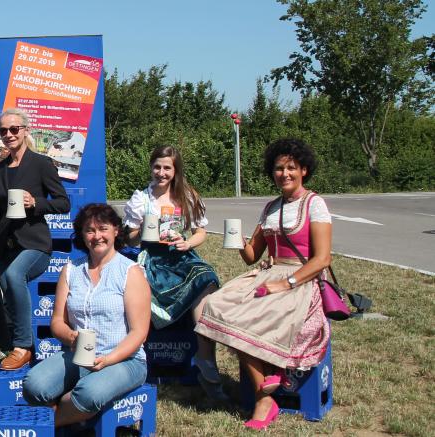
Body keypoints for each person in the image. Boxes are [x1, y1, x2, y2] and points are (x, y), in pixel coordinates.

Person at [195, 138, 331, 430]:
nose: (285, 174)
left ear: (304, 170)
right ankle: (267, 381)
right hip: (268, 275)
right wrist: (238, 240)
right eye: (279, 168)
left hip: (301, 280)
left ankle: (263, 400)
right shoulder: (271, 207)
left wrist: (285, 284)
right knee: (217, 305)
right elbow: (252, 256)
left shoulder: (314, 204)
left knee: (248, 315)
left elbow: (321, 259)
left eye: (291, 168)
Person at [21, 204, 150, 426]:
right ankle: (72, 418)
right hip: (80, 355)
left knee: (87, 394)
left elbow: (139, 333)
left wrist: (108, 360)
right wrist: (72, 337)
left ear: (116, 231)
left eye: (103, 229)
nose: (97, 236)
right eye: (89, 230)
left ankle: (49, 427)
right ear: (81, 234)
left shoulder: (130, 272)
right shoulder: (71, 270)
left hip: (125, 360)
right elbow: (57, 323)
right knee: (34, 385)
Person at [121, 145, 223, 397]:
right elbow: (130, 240)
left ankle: (205, 356)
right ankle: (137, 362)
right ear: (151, 167)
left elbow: (201, 232)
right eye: (157, 167)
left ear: (175, 170)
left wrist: (187, 242)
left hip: (180, 255)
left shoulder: (186, 196)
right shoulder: (141, 198)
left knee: (206, 278)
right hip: (152, 258)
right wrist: (142, 228)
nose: (161, 172)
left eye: (167, 168)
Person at [0, 108, 70, 370]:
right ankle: (16, 348)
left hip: (36, 245)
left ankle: (23, 347)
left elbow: (64, 203)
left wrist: (36, 203)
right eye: (3, 131)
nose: (8, 134)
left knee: (12, 277)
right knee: (7, 287)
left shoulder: (41, 163)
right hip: (6, 246)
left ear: (25, 130)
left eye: (14, 129)